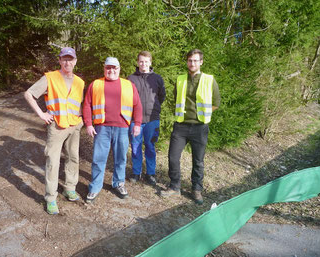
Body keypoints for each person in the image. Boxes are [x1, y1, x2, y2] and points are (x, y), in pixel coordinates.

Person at [24, 47, 85, 215]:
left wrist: (81, 121)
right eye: (64, 59)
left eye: (70, 59)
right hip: (57, 126)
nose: (67, 62)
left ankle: (70, 188)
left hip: (74, 125)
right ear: (59, 61)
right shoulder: (50, 78)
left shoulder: (80, 82)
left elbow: (78, 102)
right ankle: (51, 198)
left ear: (75, 61)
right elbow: (29, 94)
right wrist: (41, 114)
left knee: (73, 158)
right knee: (53, 161)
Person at [161, 49, 221, 205]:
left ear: (201, 62)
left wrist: (203, 114)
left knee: (198, 161)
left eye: (195, 60)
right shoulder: (180, 79)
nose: (192, 63)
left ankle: (196, 189)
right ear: (187, 62)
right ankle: (174, 186)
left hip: (199, 127)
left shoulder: (209, 80)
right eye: (189, 60)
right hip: (180, 126)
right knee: (173, 157)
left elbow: (216, 103)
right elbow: (175, 99)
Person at [82, 57, 142, 202]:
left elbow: (137, 105)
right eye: (108, 68)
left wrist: (138, 124)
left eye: (114, 68)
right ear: (104, 69)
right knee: (98, 159)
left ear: (119, 69)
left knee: (121, 158)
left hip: (122, 128)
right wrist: (89, 124)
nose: (111, 71)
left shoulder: (128, 85)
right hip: (102, 128)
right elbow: (87, 105)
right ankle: (95, 187)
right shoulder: (96, 84)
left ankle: (118, 183)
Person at [127, 51, 166, 186]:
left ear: (151, 62)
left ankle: (150, 173)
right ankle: (136, 172)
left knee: (150, 146)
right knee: (136, 146)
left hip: (152, 119)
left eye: (146, 61)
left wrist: (153, 108)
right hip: (134, 120)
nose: (143, 64)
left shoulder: (157, 78)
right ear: (138, 62)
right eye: (141, 61)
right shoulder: (131, 79)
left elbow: (162, 97)